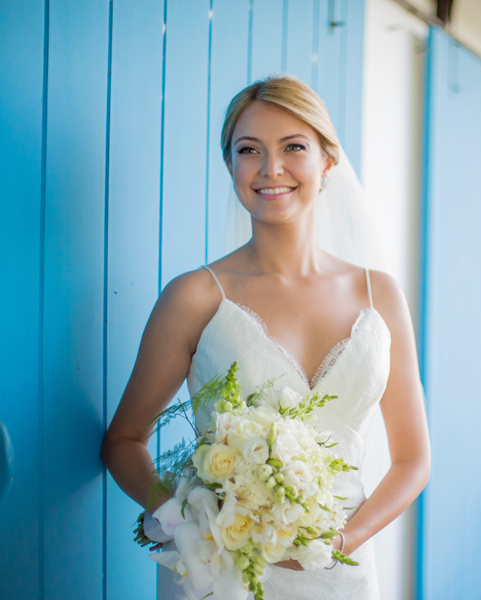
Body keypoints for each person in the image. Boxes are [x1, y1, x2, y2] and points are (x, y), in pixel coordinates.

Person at [101, 75, 431, 599]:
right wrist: (187, 523)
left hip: (341, 574)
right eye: (249, 150)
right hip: (219, 575)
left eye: (293, 147)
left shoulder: (379, 295)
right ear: (230, 164)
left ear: (327, 161)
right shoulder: (194, 297)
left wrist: (340, 542)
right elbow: (122, 442)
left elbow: (413, 460)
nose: (270, 168)